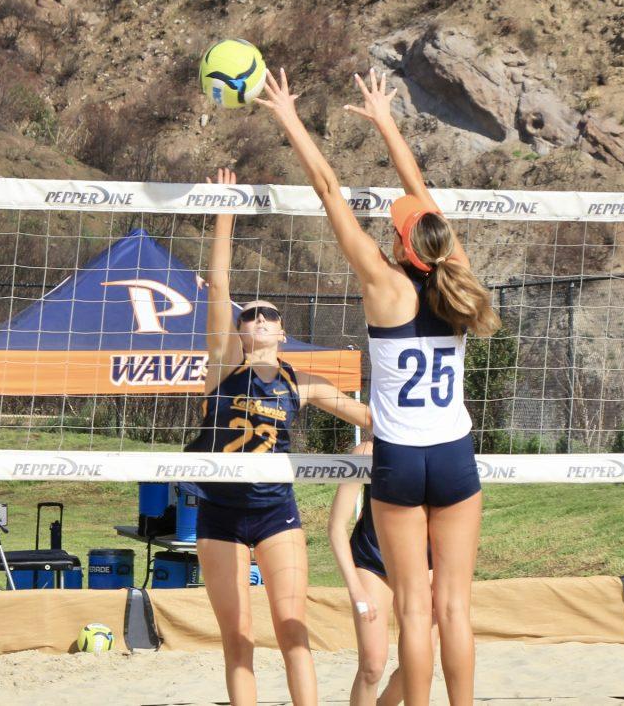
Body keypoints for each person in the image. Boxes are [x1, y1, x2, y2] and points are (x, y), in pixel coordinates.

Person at [259, 68, 500, 705]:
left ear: (398, 242)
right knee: (455, 609)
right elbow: (421, 196)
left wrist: (288, 114)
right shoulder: (458, 276)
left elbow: (328, 187)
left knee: (415, 614)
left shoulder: (383, 285)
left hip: (399, 459)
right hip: (452, 455)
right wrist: (389, 123)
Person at [185, 167, 372, 706]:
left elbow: (369, 420)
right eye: (252, 314)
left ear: (283, 332)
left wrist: (370, 450)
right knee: (237, 640)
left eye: (269, 314)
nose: (259, 317)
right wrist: (225, 211)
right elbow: (219, 285)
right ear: (241, 331)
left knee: (293, 631)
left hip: (276, 512)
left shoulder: (301, 380)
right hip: (220, 512)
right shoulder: (222, 368)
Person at [327, 439, 438, 706]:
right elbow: (335, 527)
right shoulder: (367, 452)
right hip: (373, 561)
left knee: (417, 666)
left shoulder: (440, 446)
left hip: (422, 563)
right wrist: (355, 588)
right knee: (372, 666)